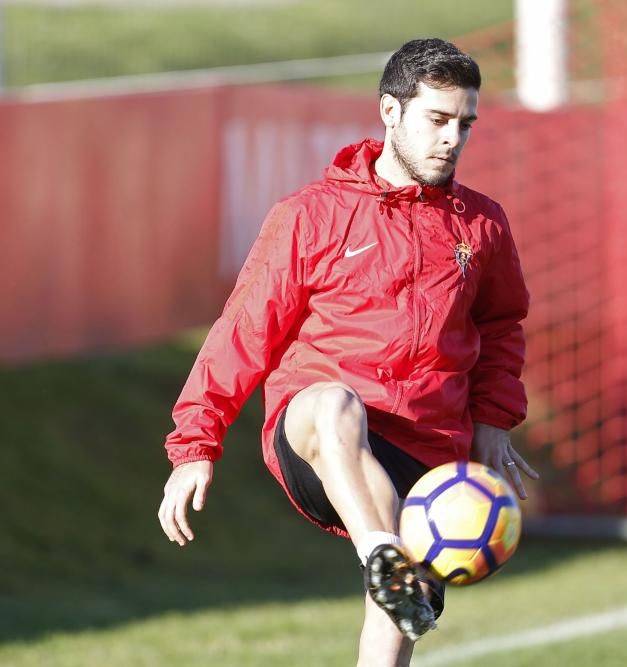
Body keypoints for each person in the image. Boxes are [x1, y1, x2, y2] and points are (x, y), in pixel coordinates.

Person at [157, 38, 538, 667]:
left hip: (427, 448)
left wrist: (492, 422)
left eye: (464, 123)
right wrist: (195, 445)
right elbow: (242, 332)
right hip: (318, 434)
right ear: (390, 112)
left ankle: (392, 573)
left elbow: (501, 325)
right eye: (437, 120)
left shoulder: (483, 224)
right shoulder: (311, 216)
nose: (452, 139)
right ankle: (382, 556)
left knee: (389, 644)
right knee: (335, 405)